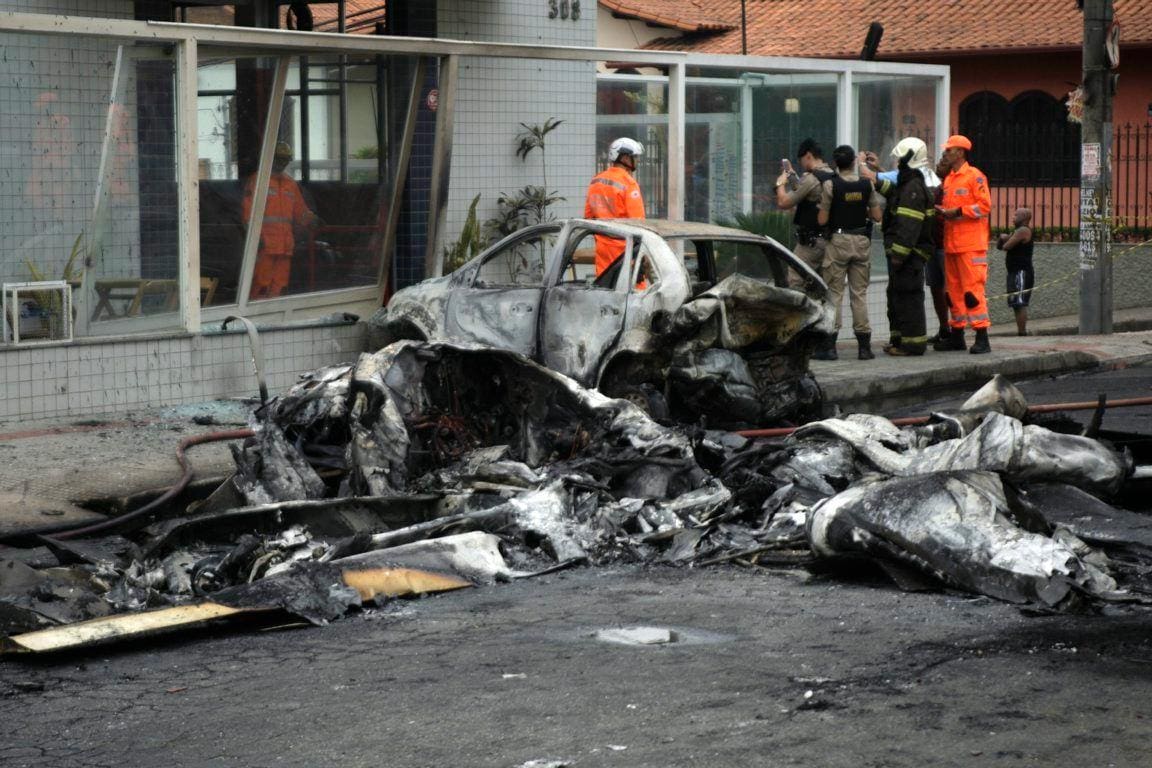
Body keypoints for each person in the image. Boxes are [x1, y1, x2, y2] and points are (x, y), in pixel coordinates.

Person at [815, 144, 884, 361]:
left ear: (836, 163)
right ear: (854, 162)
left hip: (838, 241)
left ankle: (830, 347)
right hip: (861, 241)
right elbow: (877, 216)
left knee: (834, 294)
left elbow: (822, 220)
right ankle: (864, 348)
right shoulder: (866, 185)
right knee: (859, 295)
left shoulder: (830, 185)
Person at [873, 137, 936, 356]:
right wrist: (875, 179)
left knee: (909, 299)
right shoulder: (908, 182)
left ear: (908, 158)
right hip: (904, 257)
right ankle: (899, 341)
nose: (896, 161)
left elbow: (909, 226)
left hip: (909, 257)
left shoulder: (913, 188)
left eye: (900, 157)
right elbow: (893, 192)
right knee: (897, 297)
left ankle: (913, 345)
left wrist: (898, 255)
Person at [935, 134, 993, 354]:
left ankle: (982, 336)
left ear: (960, 152)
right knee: (953, 293)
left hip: (971, 245)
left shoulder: (974, 176)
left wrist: (957, 212)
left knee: (972, 292)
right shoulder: (949, 178)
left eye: (949, 150)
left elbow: (984, 206)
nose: (946, 154)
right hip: (952, 243)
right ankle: (957, 335)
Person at [243, 141, 320, 300]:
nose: (282, 163)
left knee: (280, 285)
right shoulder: (258, 181)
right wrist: (255, 237)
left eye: (285, 160)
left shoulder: (290, 184)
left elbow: (300, 211)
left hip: (285, 246)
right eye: (279, 159)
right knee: (260, 284)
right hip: (265, 244)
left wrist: (312, 219)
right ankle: (256, 317)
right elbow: (248, 212)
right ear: (271, 159)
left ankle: (273, 316)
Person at [774, 138, 836, 289]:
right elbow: (809, 199)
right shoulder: (833, 175)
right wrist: (795, 179)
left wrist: (780, 183)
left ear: (808, 155)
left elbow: (783, 202)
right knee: (820, 286)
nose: (801, 163)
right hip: (830, 242)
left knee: (796, 280)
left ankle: (797, 312)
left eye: (801, 159)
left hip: (811, 244)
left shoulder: (811, 179)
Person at [584, 137, 645, 275]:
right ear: (625, 158)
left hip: (603, 247)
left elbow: (588, 216)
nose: (638, 160)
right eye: (635, 157)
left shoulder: (596, 180)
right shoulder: (629, 184)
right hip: (625, 248)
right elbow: (639, 223)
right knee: (634, 290)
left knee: (605, 287)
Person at [997, 207, 1034, 336]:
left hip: (1021, 272)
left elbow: (1006, 246)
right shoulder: (1017, 231)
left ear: (1024, 217)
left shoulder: (1023, 230)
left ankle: (1022, 332)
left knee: (1020, 303)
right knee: (1015, 303)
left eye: (1016, 215)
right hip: (1014, 271)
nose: (1013, 217)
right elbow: (1000, 246)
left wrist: (1005, 238)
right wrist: (1005, 238)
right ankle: (1021, 331)